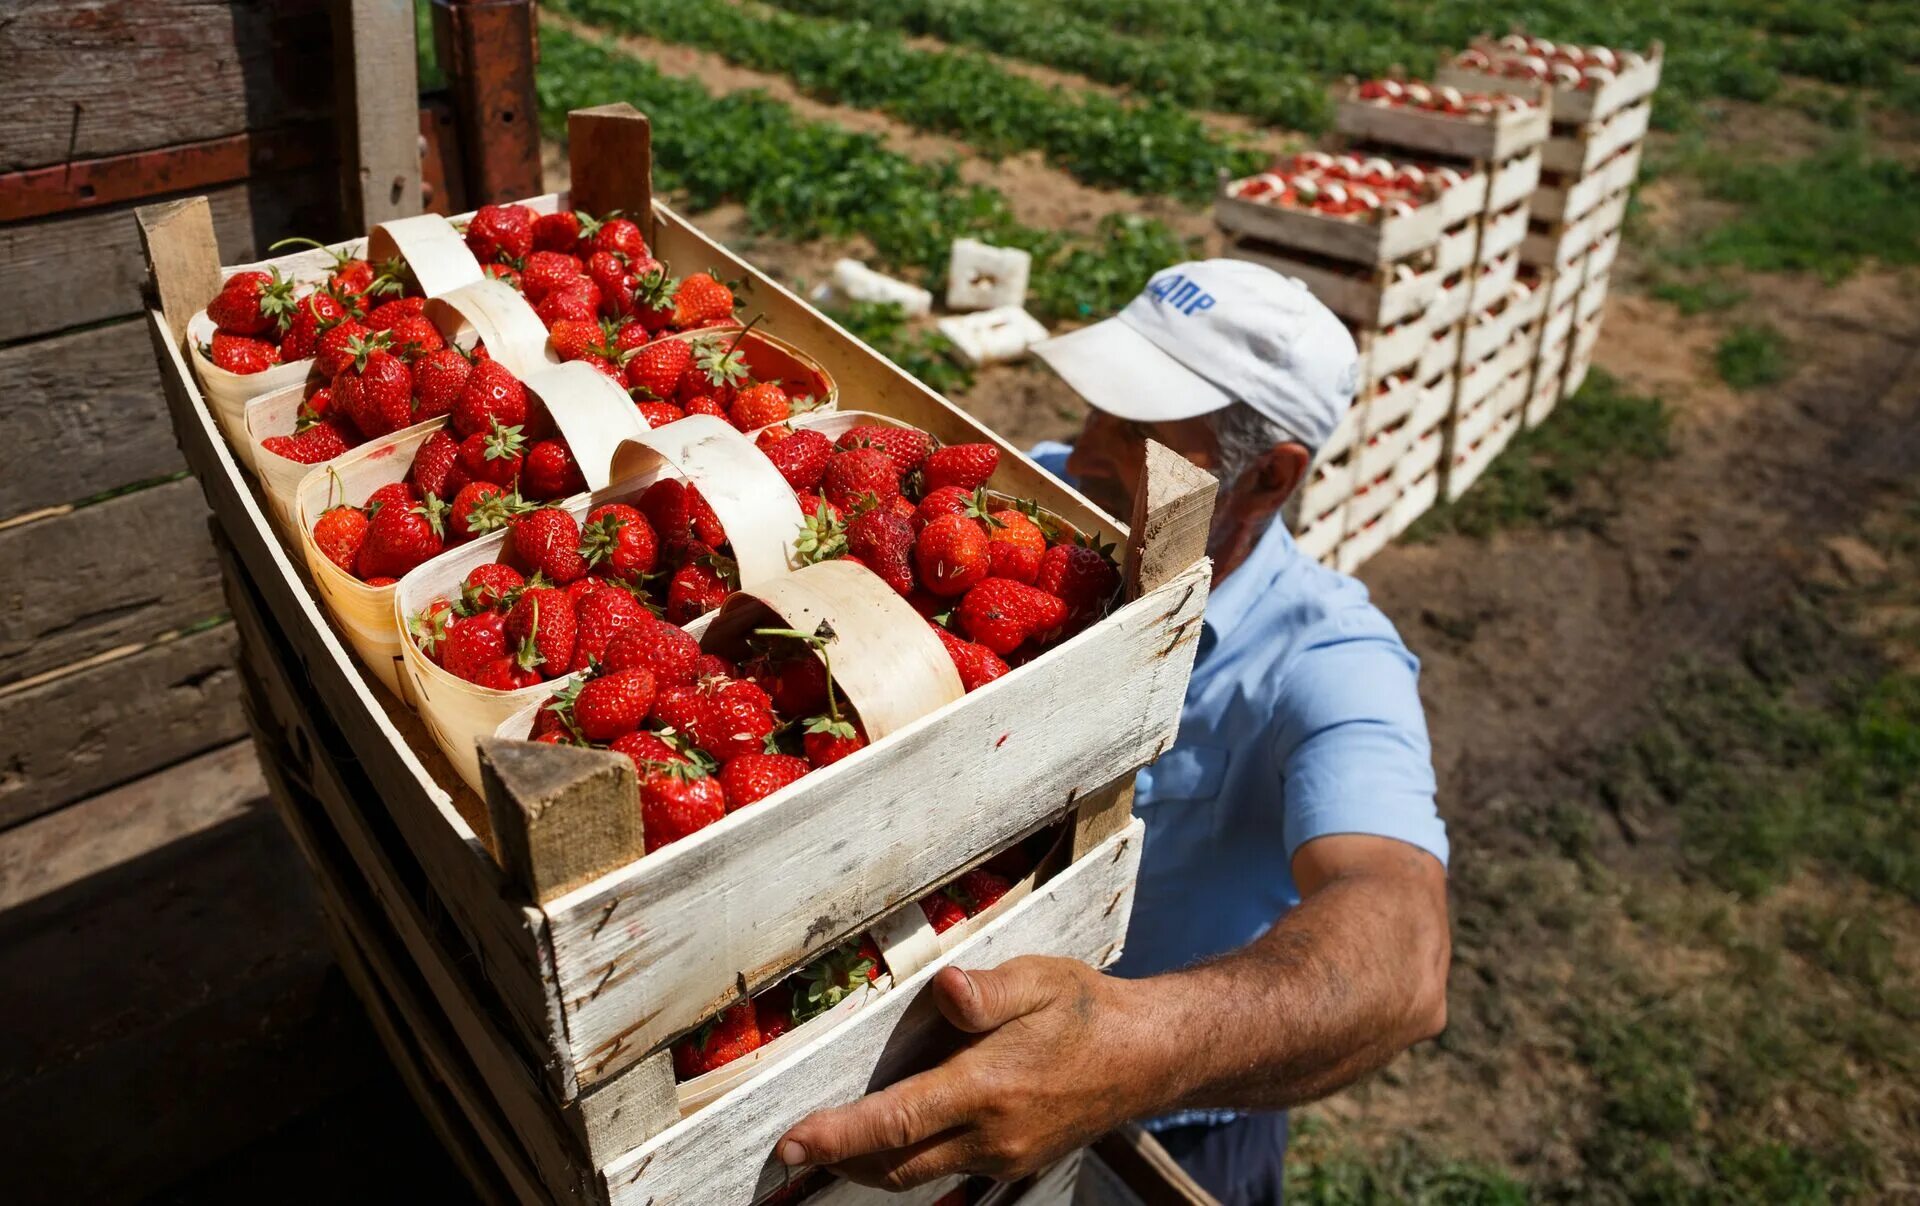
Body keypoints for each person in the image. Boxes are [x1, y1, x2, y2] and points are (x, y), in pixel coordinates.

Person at [777, 260, 1451, 1204]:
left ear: (1270, 475)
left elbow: (1406, 955)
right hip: (928, 1043)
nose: (1084, 447)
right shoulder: (1050, 504)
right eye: (1100, 403)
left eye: (1137, 429)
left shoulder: (1325, 661)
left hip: (1166, 1106)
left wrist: (1132, 1049)